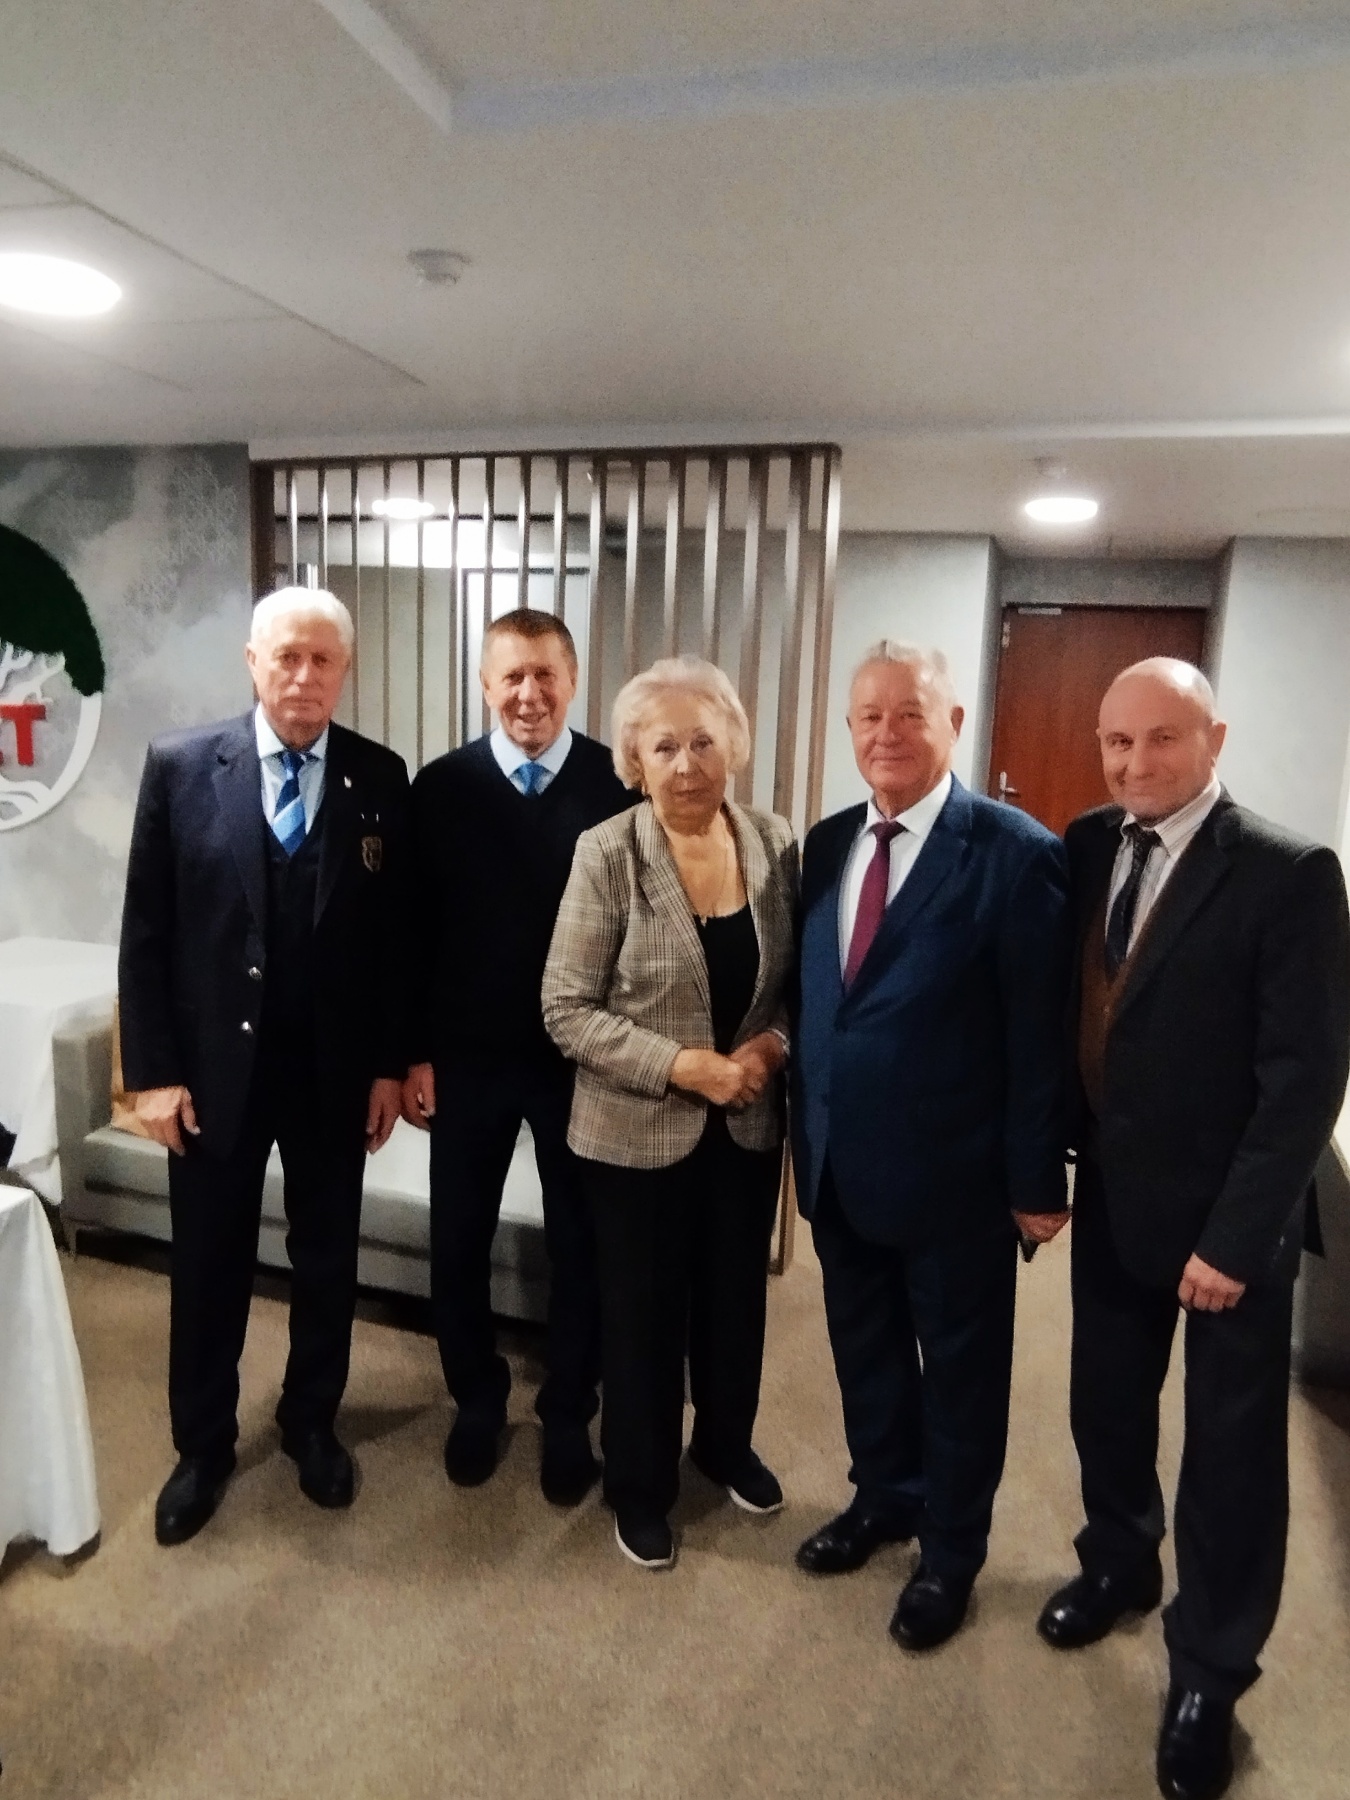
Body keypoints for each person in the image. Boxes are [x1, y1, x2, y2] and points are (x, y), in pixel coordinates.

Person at [1038, 658, 1350, 1800]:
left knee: (1232, 1458)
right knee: (1105, 1408)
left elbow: (1305, 1078)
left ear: (1214, 738)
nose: (1133, 762)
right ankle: (1119, 1563)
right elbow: (1079, 1010)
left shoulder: (1287, 872)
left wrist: (1237, 1238)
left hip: (1228, 1230)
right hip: (1116, 1200)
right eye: (1116, 741)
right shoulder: (1087, 844)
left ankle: (1211, 1672)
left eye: (1161, 738)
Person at [791, 641, 1071, 1649]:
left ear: (954, 721)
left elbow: (1038, 1037)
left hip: (957, 1179)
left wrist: (1037, 1181)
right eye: (869, 717)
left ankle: (951, 1552)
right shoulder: (826, 844)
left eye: (910, 713)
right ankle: (885, 1496)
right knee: (864, 1352)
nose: (887, 734)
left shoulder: (1015, 852)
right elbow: (823, 998)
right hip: (838, 1162)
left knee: (961, 1376)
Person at [119, 586, 409, 1545]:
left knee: (327, 1260)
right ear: (253, 662)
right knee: (208, 1265)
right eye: (287, 656)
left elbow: (393, 945)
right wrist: (152, 1076)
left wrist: (386, 1066)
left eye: (323, 659)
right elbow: (146, 933)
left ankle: (311, 1423)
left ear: (344, 670)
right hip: (211, 1077)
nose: (303, 676)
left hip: (331, 1073)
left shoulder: (379, 775)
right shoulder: (181, 766)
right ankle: (202, 1447)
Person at [541, 656, 798, 1569]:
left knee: (734, 1306)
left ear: (732, 745)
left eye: (703, 741)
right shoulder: (607, 852)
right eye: (664, 747)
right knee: (641, 1318)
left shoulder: (773, 841)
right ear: (634, 761)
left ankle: (724, 1446)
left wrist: (771, 1048)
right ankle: (639, 1486)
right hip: (634, 1133)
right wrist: (685, 1067)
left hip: (747, 1126)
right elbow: (566, 1009)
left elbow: (794, 987)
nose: (686, 764)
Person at [402, 609, 632, 1504]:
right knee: (458, 1237)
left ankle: (569, 1409)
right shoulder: (440, 788)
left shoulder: (618, 783)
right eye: (511, 677)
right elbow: (410, 933)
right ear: (485, 684)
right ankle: (476, 1397)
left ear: (572, 680)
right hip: (466, 1060)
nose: (528, 694)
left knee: (583, 1242)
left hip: (582, 1061)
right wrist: (414, 1053)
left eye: (545, 675)